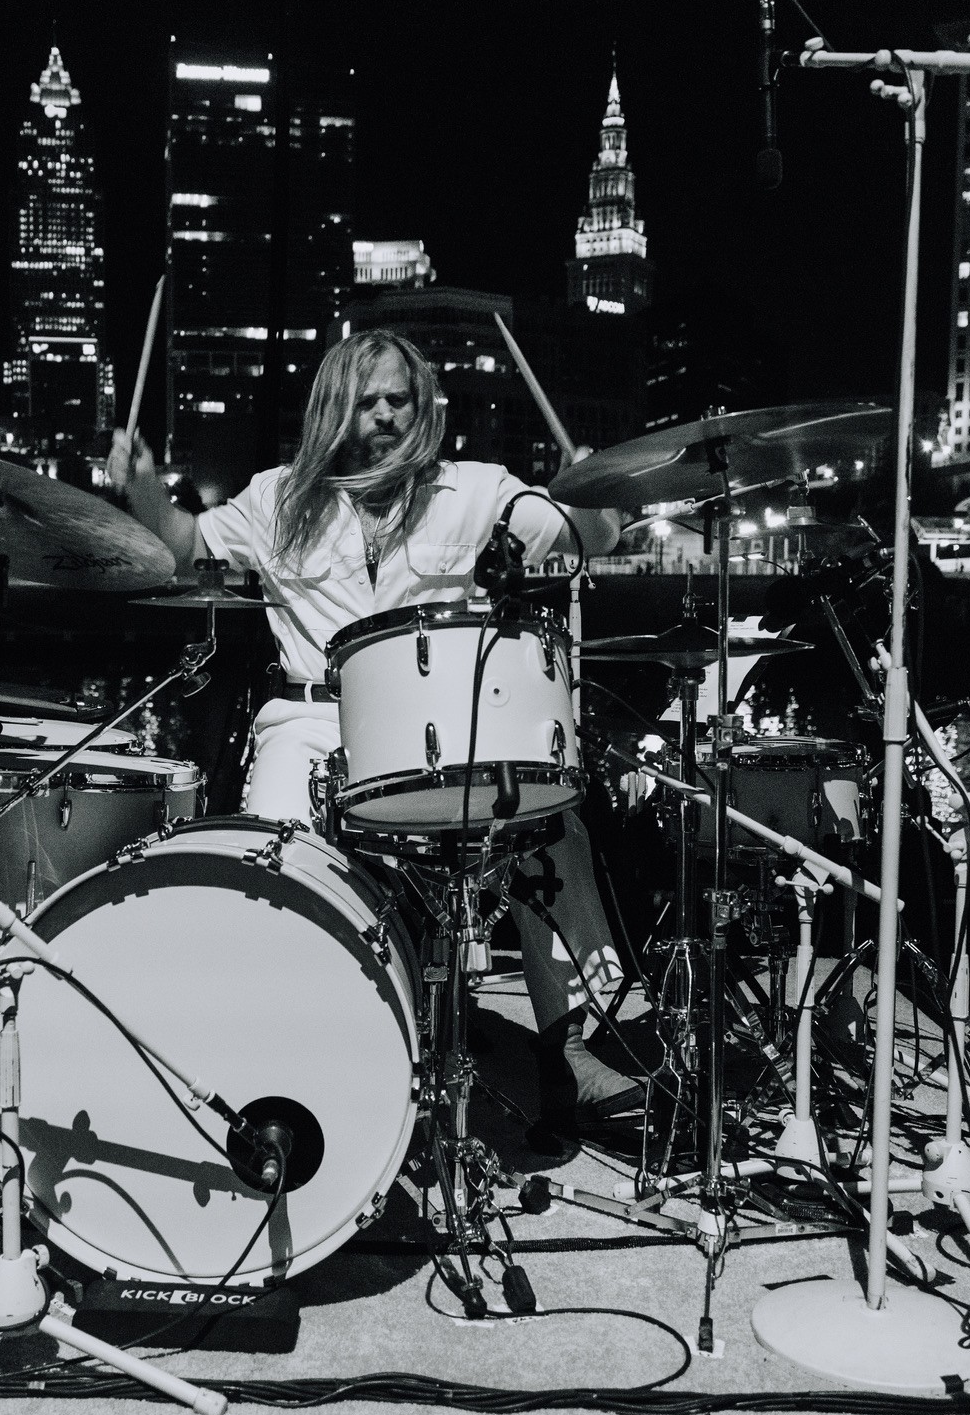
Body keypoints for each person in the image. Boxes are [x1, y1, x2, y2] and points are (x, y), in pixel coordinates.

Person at [108, 328, 642, 1137]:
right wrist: (143, 491)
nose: (388, 415)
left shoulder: (477, 490)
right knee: (271, 856)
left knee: (547, 816)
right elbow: (182, 547)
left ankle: (571, 1049)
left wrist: (604, 500)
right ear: (335, 408)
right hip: (312, 718)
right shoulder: (278, 497)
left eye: (400, 398)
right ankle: (281, 1058)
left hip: (439, 723)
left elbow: (585, 537)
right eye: (369, 401)